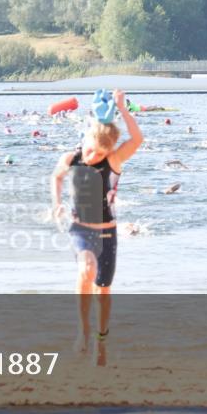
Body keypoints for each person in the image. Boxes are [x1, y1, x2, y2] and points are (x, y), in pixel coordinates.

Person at [51, 89, 143, 366]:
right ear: (87, 136)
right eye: (92, 148)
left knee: (103, 290)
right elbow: (55, 178)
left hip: (107, 233)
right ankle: (83, 330)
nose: (93, 155)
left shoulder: (113, 160)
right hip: (80, 230)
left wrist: (123, 109)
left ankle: (101, 343)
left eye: (101, 152)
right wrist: (56, 203)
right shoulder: (72, 158)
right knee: (85, 269)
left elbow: (137, 139)